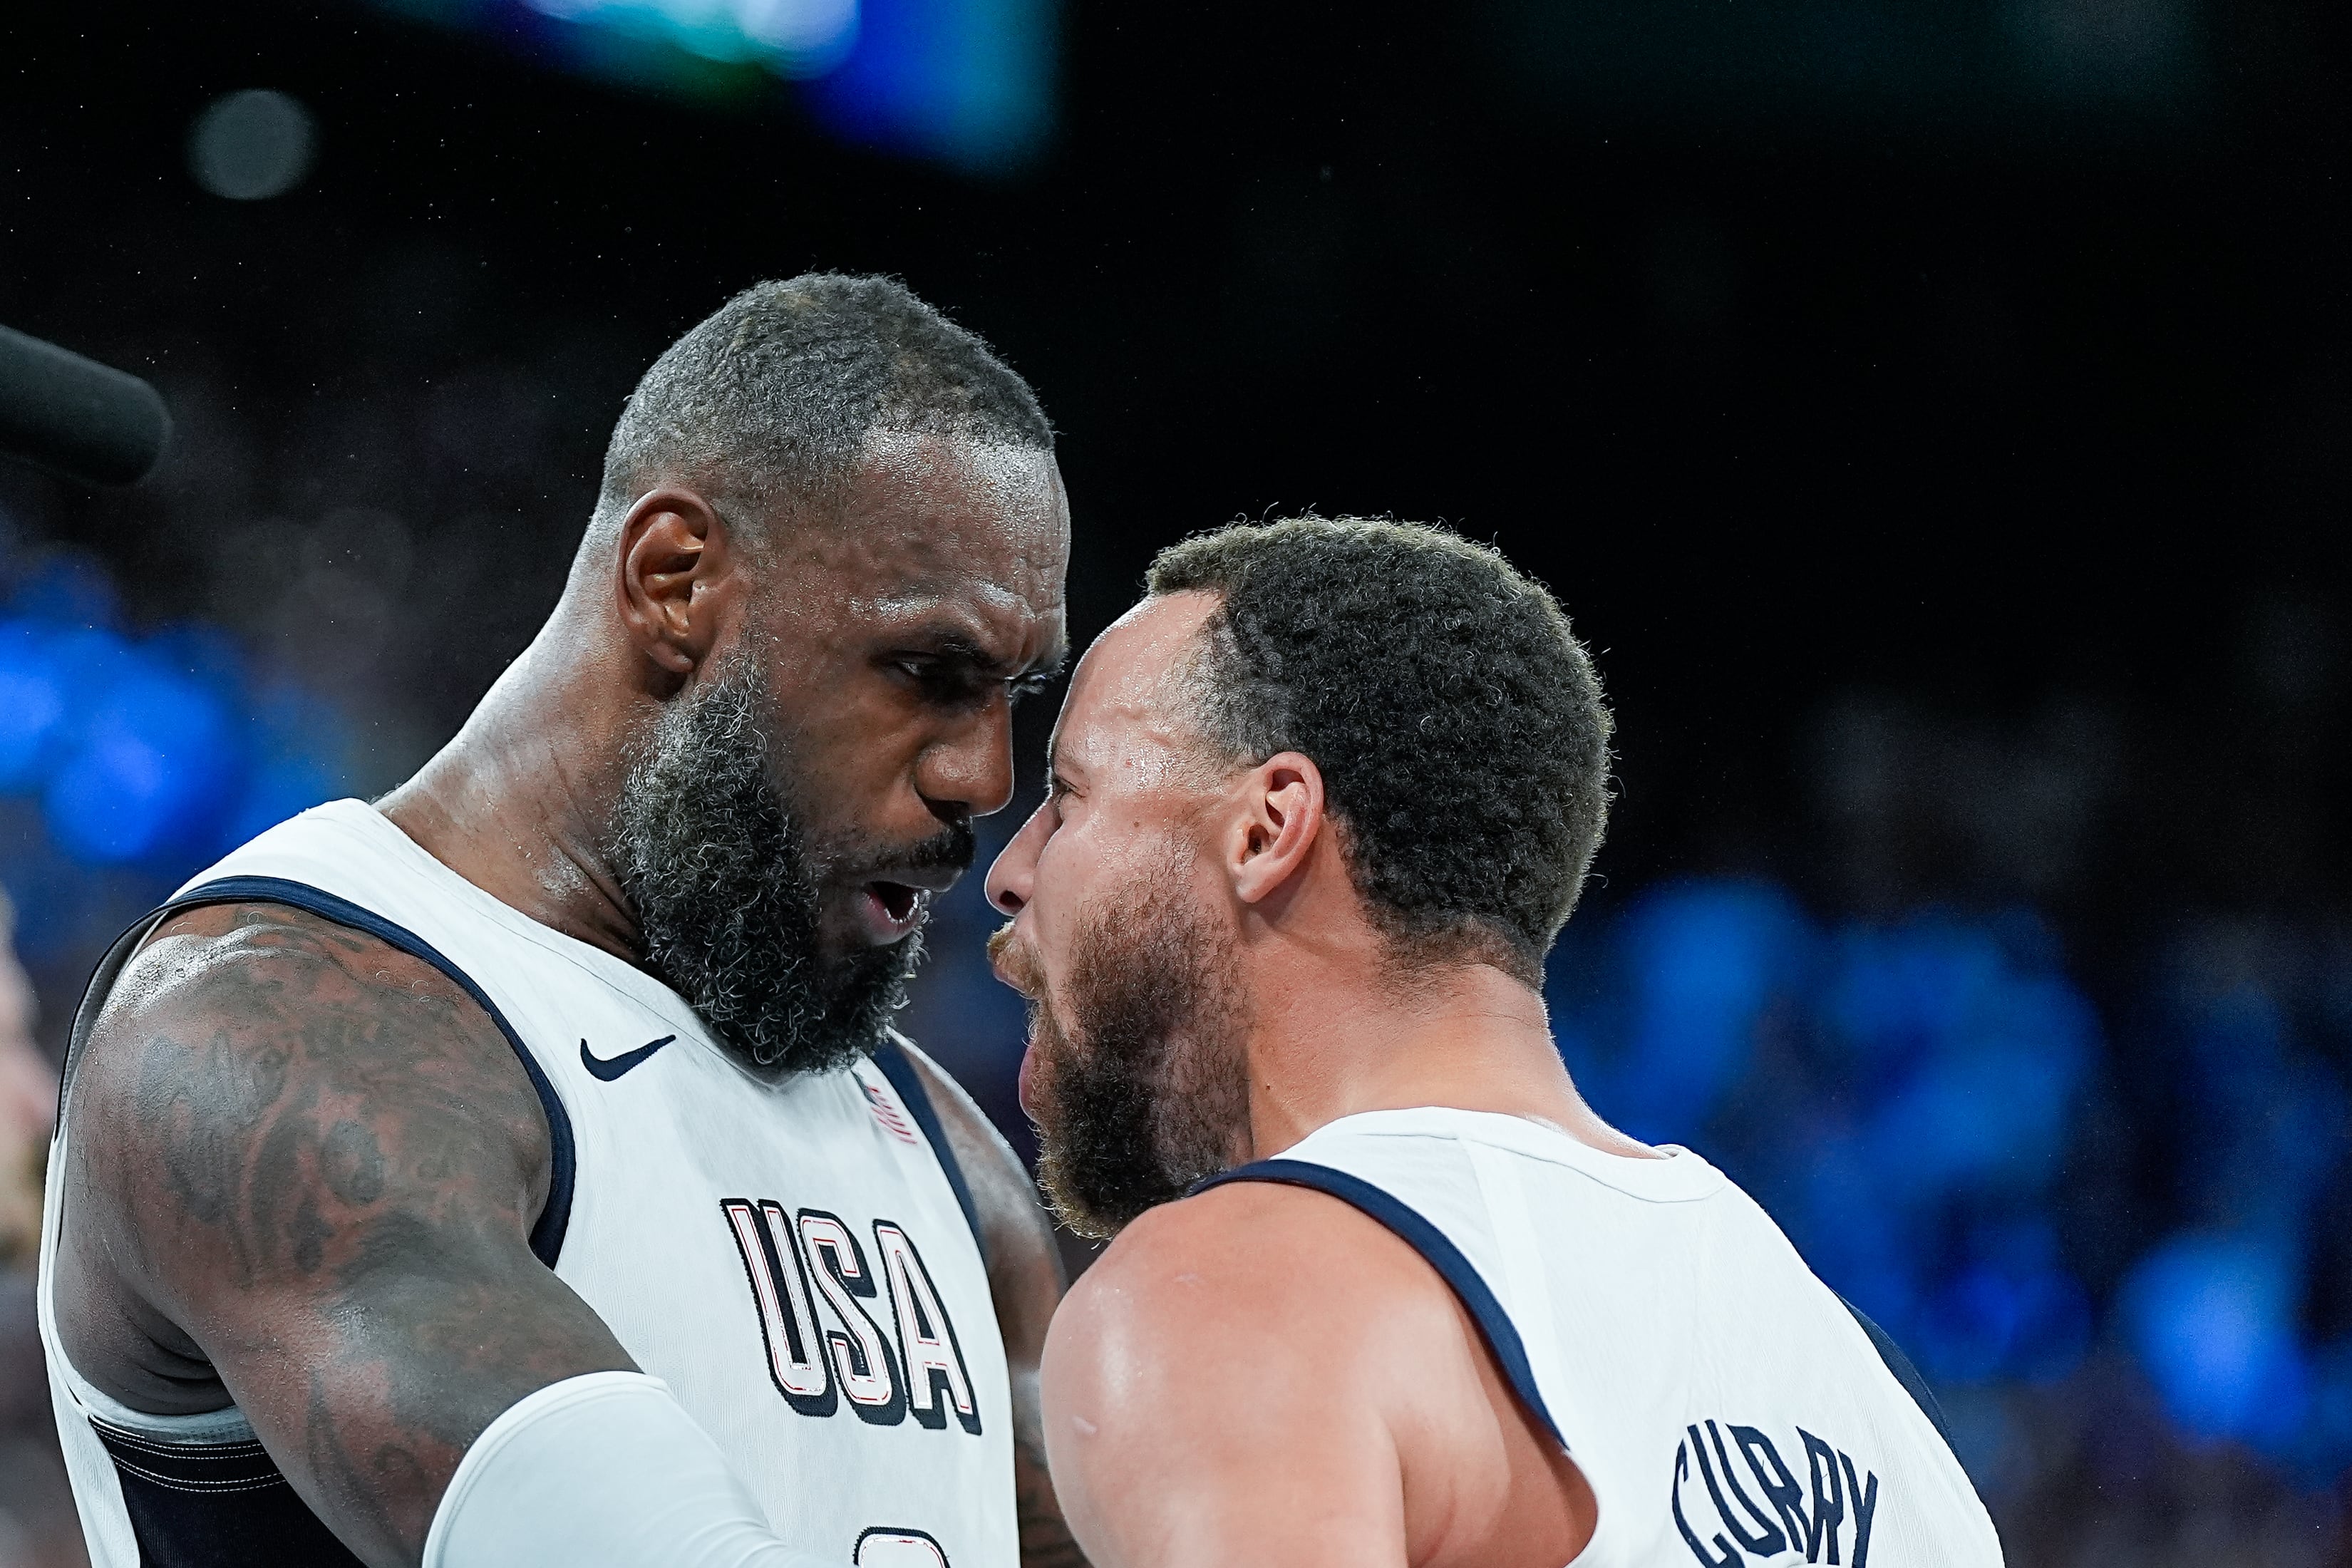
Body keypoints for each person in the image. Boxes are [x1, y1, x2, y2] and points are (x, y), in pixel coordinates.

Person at [40, 276, 1085, 1568]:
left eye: (1013, 698)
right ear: (675, 580)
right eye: (930, 674)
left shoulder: (951, 1161)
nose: (983, 779)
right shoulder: (273, 1037)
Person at [983, 517, 2004, 1568]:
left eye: (1068, 799)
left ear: (1264, 830)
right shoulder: (1873, 1395)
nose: (1011, 872)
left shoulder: (1232, 1294)